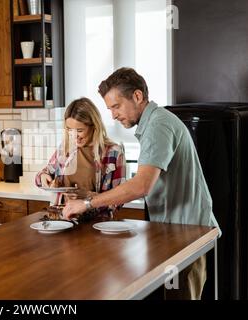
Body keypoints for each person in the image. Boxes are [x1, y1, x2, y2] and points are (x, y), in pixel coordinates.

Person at [63, 67, 221, 299]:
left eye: (116, 107)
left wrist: (88, 203)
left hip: (187, 234)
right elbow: (143, 181)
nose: (113, 115)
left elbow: (141, 185)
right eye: (109, 109)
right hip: (178, 232)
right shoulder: (154, 123)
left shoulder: (158, 125)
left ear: (137, 97)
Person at [35, 97, 126, 220]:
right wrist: (43, 177)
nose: (74, 136)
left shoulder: (113, 152)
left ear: (94, 126)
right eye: (69, 130)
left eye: (79, 130)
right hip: (60, 221)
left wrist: (90, 198)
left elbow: (119, 199)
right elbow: (43, 175)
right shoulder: (65, 148)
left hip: (96, 223)